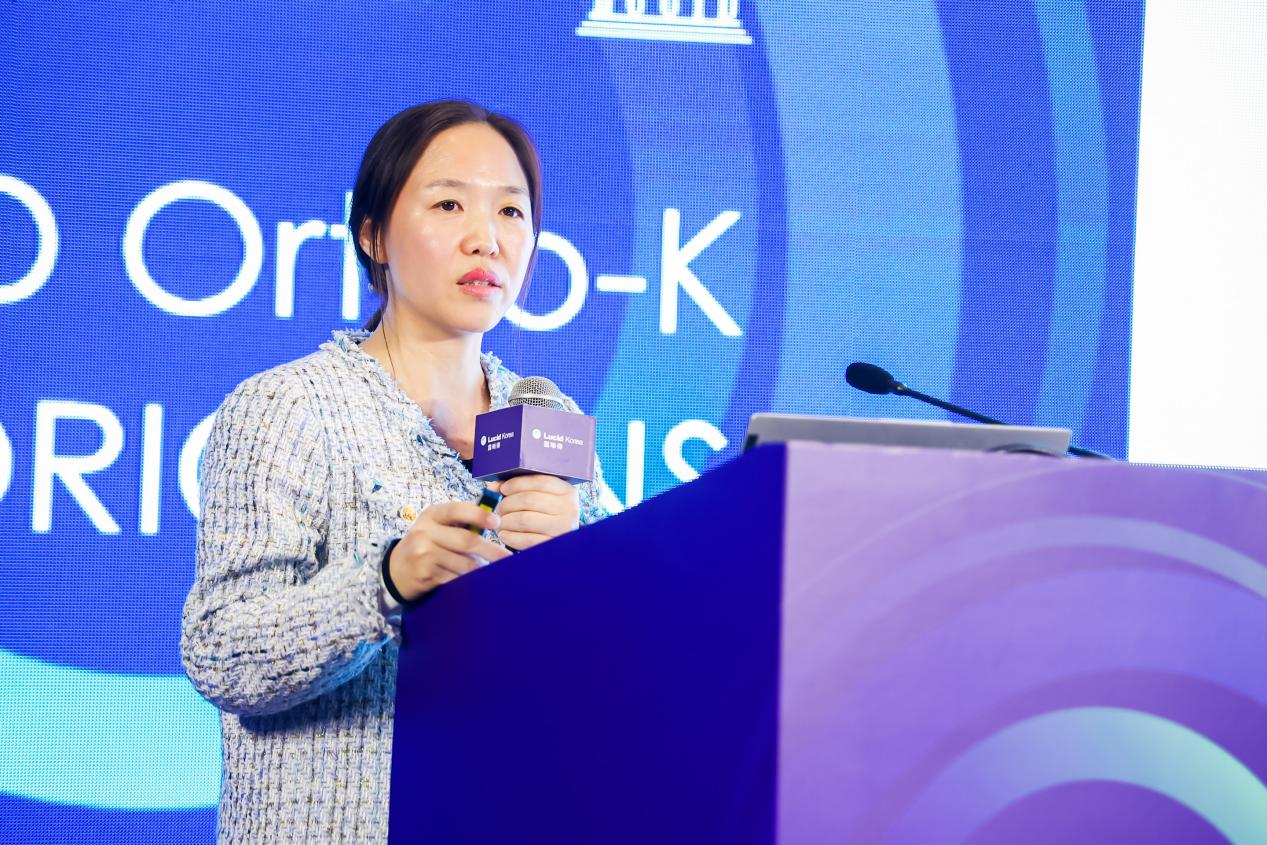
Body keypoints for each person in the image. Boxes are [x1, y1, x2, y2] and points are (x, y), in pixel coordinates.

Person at [181, 100, 608, 843]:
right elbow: (221, 652)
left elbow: (619, 650)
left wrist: (584, 554)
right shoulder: (289, 405)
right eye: (449, 204)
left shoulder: (548, 415)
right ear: (373, 234)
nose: (486, 239)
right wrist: (385, 583)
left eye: (511, 212)